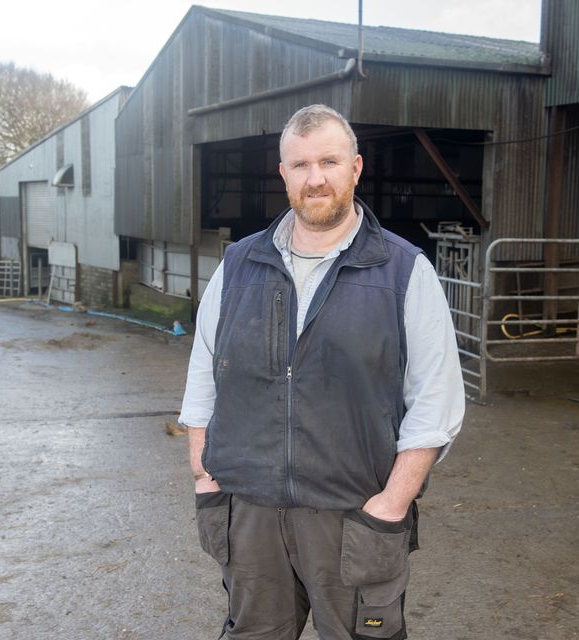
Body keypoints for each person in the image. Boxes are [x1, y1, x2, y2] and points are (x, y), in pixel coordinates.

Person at [179, 104, 464, 640]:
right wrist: (204, 474)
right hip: (250, 511)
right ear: (282, 173)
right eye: (300, 164)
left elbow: (437, 401)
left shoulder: (404, 272)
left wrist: (391, 504)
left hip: (354, 515)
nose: (315, 179)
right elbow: (203, 376)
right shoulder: (238, 266)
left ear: (355, 168)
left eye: (329, 162)